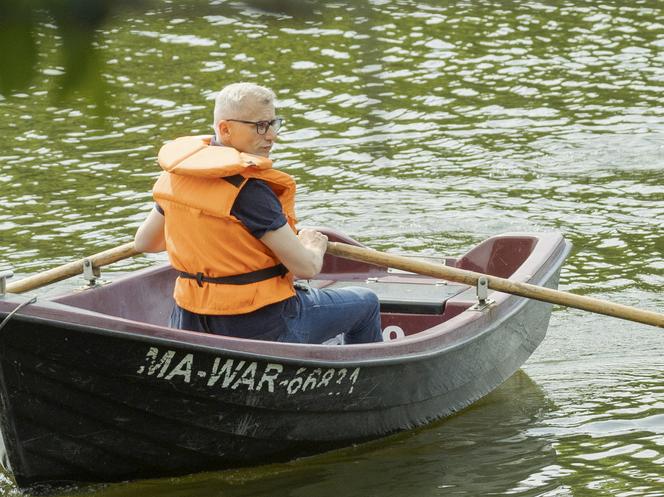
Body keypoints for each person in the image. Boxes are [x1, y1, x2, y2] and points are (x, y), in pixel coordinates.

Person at [134, 82, 383, 344]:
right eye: (260, 126)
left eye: (273, 124)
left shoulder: (177, 177)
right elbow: (306, 267)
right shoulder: (249, 191)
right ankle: (362, 383)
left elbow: (145, 242)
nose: (271, 136)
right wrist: (313, 246)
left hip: (190, 321)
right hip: (259, 326)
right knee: (367, 303)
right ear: (225, 129)